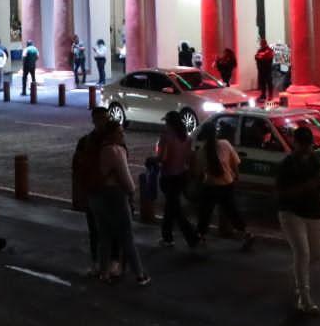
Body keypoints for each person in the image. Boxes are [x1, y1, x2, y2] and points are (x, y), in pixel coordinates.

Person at [276, 125, 320, 314]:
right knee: (303, 252)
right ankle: (304, 298)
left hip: (314, 212)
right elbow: (282, 194)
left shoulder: (317, 158)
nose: (307, 149)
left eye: (309, 145)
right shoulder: (287, 164)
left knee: (316, 254)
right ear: (295, 143)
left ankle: (299, 273)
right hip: (291, 213)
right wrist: (309, 186)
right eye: (303, 145)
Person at [91, 122, 149, 284]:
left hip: (97, 194)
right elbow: (126, 179)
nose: (122, 135)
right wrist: (132, 192)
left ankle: (104, 273)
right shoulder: (115, 150)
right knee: (126, 236)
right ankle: (140, 274)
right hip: (115, 195)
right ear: (111, 134)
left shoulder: (97, 147)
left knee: (104, 235)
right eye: (120, 132)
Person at [194, 120, 252, 248]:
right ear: (216, 133)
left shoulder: (202, 151)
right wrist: (236, 177)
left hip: (210, 186)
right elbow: (235, 164)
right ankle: (246, 233)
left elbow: (199, 172)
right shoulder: (225, 144)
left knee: (205, 212)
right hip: (227, 184)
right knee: (232, 211)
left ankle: (201, 236)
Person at [72, 107, 112, 274]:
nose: (103, 122)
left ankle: (109, 262)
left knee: (109, 229)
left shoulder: (113, 140)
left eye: (105, 118)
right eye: (100, 119)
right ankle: (98, 262)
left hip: (109, 192)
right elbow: (76, 168)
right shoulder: (86, 142)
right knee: (95, 229)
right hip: (94, 191)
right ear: (94, 121)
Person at [155, 110, 200, 248]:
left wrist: (152, 160)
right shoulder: (186, 138)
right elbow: (190, 157)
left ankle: (191, 237)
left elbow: (162, 158)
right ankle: (167, 237)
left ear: (169, 123)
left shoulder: (165, 137)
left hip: (169, 176)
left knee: (175, 210)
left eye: (166, 122)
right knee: (171, 208)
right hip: (182, 176)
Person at [255, 38, 277, 104]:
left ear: (264, 43)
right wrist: (261, 56)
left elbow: (268, 57)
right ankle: (263, 95)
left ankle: (270, 95)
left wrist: (261, 57)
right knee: (262, 83)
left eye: (262, 43)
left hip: (267, 69)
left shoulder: (269, 50)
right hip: (261, 69)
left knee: (269, 82)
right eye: (260, 43)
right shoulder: (260, 50)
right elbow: (256, 56)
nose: (261, 44)